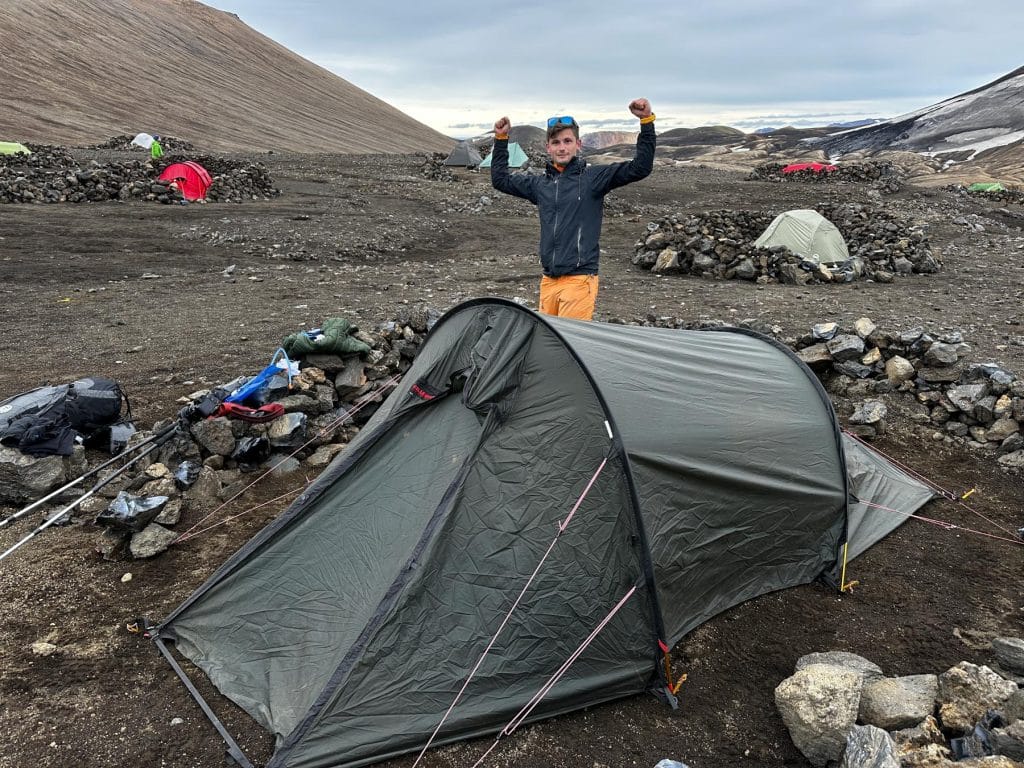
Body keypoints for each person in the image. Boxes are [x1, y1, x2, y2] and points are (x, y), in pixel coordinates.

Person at [490, 99, 656, 320]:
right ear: (547, 147)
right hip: (549, 281)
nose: (562, 147)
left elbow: (640, 168)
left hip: (580, 280)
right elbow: (500, 180)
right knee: (548, 345)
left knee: (568, 347)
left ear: (578, 144)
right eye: (556, 142)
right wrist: (501, 139)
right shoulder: (540, 185)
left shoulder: (592, 178)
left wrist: (646, 121)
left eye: (567, 141)